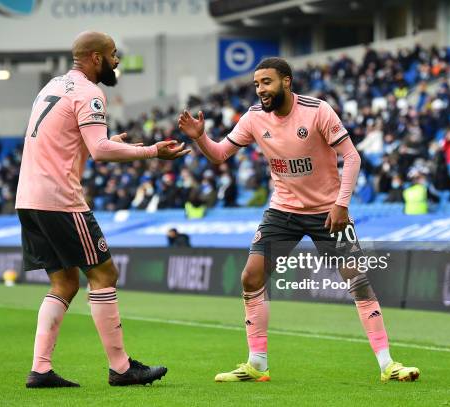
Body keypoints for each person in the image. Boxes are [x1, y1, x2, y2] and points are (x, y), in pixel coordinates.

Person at [178, 57, 419, 383]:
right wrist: (199, 138)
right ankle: (257, 365)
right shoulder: (253, 118)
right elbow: (220, 154)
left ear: (287, 81)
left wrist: (341, 204)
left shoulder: (317, 110)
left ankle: (388, 365)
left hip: (329, 211)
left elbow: (352, 156)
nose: (261, 89)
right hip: (283, 211)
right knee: (251, 277)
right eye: (257, 84)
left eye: (267, 82)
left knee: (358, 280)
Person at [16, 31, 189, 389]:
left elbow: (71, 140)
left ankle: (40, 369)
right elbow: (100, 151)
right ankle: (122, 368)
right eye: (113, 55)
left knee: (64, 282)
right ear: (95, 58)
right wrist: (153, 151)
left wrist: (110, 143)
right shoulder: (90, 92)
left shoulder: (53, 86)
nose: (117, 62)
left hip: (28, 198)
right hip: (59, 200)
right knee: (104, 274)